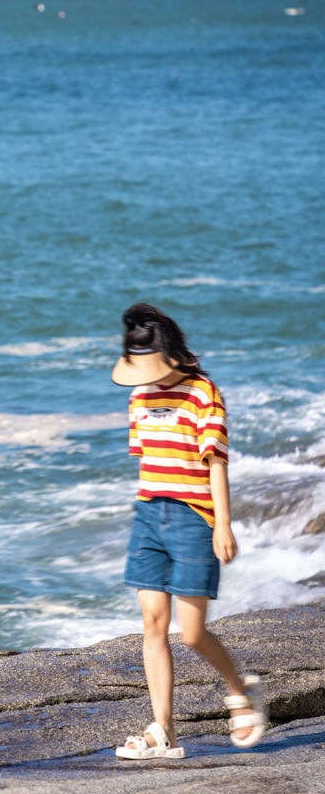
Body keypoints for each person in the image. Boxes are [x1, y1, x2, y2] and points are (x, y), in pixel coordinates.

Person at [112, 302, 267, 760]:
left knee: (193, 633)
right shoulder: (139, 396)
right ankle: (164, 732)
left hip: (194, 519)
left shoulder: (202, 393)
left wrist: (223, 523)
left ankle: (241, 692)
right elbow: (147, 461)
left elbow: (215, 463)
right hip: (148, 515)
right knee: (152, 624)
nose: (146, 376)